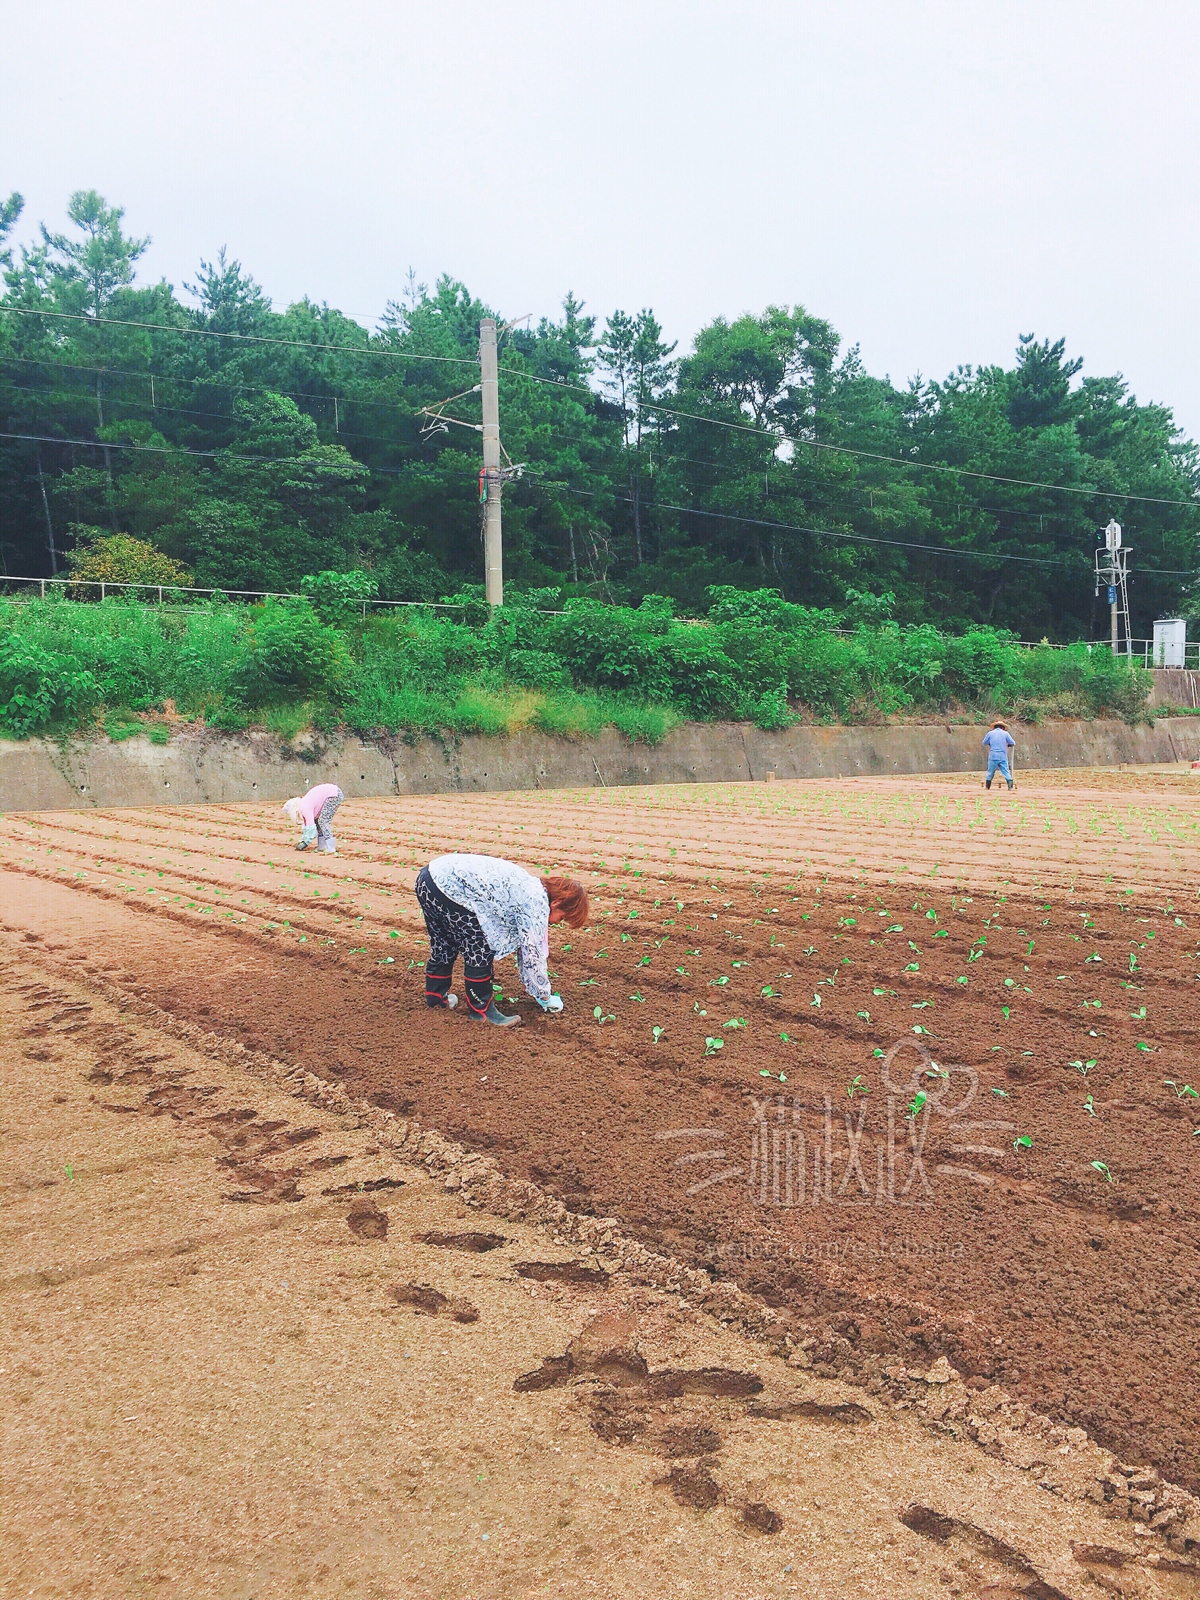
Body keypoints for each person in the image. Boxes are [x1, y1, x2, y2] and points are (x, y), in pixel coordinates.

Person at [415, 854, 589, 1026]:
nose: (557, 923)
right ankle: (482, 1012)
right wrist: (545, 995)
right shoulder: (536, 903)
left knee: (444, 941)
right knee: (479, 947)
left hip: (429, 878)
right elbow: (532, 953)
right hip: (451, 887)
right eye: (562, 918)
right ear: (557, 903)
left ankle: (436, 997)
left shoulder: (529, 886)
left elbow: (525, 949)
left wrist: (535, 987)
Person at [282, 782, 344, 853]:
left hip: (333, 794)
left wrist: (305, 842)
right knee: (318, 821)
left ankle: (331, 847)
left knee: (323, 821)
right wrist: (304, 839)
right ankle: (322, 845)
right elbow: (307, 825)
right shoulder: (303, 805)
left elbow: (311, 827)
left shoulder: (304, 807)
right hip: (333, 792)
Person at [982, 720, 1016, 790]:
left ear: (994, 727)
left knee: (990, 771)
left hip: (993, 755)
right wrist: (1009, 744)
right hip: (1002, 756)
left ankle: (987, 787)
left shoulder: (990, 733)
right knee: (1006, 771)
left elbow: (984, 742)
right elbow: (1012, 742)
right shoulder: (1006, 734)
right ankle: (1010, 787)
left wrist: (990, 743)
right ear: (1003, 727)